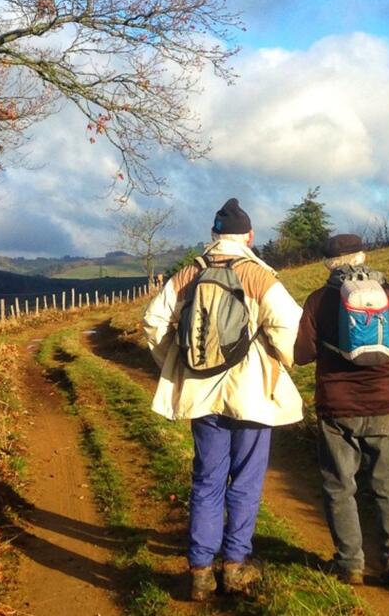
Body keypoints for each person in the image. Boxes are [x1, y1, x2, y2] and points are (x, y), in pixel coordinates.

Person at [143, 197, 304, 601]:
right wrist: (283, 358)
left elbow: (153, 321)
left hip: (201, 394)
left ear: (214, 236)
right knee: (246, 482)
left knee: (207, 481)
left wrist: (175, 363)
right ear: (249, 236)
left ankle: (199, 572)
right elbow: (289, 326)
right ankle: (234, 567)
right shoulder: (259, 276)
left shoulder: (188, 274)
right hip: (251, 394)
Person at [294, 233, 389, 587]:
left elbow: (302, 355)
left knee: (339, 486)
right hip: (385, 402)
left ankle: (350, 565)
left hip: (337, 406)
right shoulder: (386, 294)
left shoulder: (318, 301)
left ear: (327, 264)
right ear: (363, 256)